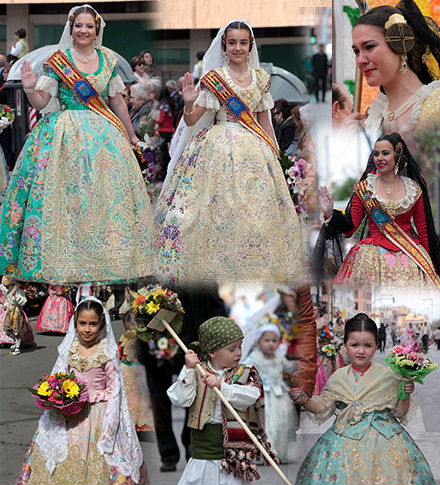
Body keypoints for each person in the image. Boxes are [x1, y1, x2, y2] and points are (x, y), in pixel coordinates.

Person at [0, 5, 153, 281]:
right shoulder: (59, 61)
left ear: (97, 31)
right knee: (67, 197)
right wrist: (30, 87)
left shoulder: (107, 60)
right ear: (71, 29)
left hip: (104, 137)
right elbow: (42, 102)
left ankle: (105, 257)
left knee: (106, 196)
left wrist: (131, 136)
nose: (83, 31)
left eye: (89, 26)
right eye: (78, 26)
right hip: (64, 133)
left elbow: (117, 100)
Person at [154, 20, 305, 284]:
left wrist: (276, 155)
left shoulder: (260, 79)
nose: (237, 48)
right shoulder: (214, 79)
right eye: (232, 42)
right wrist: (189, 102)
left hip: (255, 150)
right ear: (224, 46)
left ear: (250, 46)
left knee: (256, 212)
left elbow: (264, 120)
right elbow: (191, 121)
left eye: (243, 43)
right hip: (218, 148)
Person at [289, 313, 440, 485]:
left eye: (368, 345)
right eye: (354, 345)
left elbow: (399, 412)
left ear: (376, 346)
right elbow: (323, 407)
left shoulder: (389, 376)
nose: (361, 351)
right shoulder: (338, 377)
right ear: (345, 346)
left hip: (387, 444)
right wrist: (305, 400)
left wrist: (406, 392)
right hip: (343, 441)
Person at [14, 298, 149, 485]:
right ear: (75, 323)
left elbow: (116, 390)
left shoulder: (106, 352)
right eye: (82, 323)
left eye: (93, 324)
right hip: (68, 412)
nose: (87, 329)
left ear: (102, 324)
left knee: (97, 462)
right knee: (59, 456)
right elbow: (58, 376)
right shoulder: (69, 349)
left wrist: (110, 424)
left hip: (96, 415)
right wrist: (53, 397)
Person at [168, 316, 267, 485]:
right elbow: (180, 399)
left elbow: (250, 396)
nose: (238, 353)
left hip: (234, 451)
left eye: (240, 347)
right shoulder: (197, 370)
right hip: (204, 449)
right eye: (231, 349)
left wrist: (222, 386)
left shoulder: (245, 372)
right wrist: (187, 370)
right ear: (212, 352)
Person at [317, 136, 440, 293]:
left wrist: (432, 267)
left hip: (410, 258)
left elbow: (424, 231)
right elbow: (350, 228)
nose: (379, 158)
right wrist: (330, 214)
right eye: (376, 154)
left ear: (398, 155)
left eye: (385, 153)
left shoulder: (414, 189)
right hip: (371, 259)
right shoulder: (364, 188)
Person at [352, 1, 440, 138]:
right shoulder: (372, 119)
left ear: (400, 44)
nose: (361, 60)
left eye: (369, 47)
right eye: (356, 51)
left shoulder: (437, 106)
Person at [243, 314, 295, 463]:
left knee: (283, 423)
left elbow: (287, 367)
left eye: (274, 340)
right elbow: (245, 368)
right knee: (267, 423)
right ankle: (266, 452)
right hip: (263, 396)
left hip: (280, 396)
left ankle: (280, 451)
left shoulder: (278, 356)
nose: (271, 344)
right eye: (267, 340)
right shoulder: (255, 357)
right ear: (259, 341)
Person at [1, 277, 35, 354]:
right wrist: (5, 305)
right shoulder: (8, 292)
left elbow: (23, 302)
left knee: (16, 332)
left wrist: (16, 296)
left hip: (16, 313)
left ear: (12, 284)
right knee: (7, 331)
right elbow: (7, 301)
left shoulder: (19, 292)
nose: (6, 288)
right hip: (9, 313)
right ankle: (15, 342)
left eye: (7, 286)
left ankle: (17, 347)